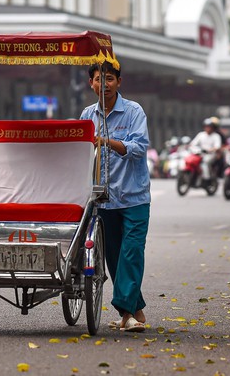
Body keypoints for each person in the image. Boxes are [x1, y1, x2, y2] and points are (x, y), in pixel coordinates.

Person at [80, 61, 151, 332]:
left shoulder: (134, 111)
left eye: (109, 79)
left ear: (119, 82)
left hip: (134, 197)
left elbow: (139, 147)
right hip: (103, 200)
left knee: (131, 252)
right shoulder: (87, 115)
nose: (104, 84)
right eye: (99, 79)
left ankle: (126, 313)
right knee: (113, 257)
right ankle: (135, 311)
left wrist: (107, 141)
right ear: (91, 83)